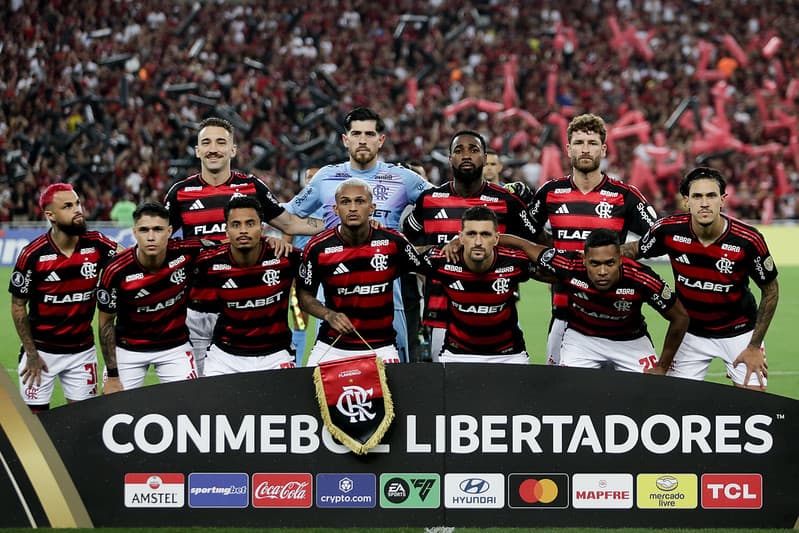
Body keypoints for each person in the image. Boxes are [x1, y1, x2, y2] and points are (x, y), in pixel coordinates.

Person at [164, 117, 323, 374]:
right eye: (206, 142)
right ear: (197, 150)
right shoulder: (180, 193)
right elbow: (162, 241)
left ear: (232, 149)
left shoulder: (251, 187)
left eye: (220, 142)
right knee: (199, 395)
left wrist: (337, 225)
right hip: (197, 309)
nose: (213, 148)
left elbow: (291, 224)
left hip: (245, 307)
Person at [284, 107, 431, 363]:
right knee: (329, 371)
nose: (362, 140)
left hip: (385, 292)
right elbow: (289, 217)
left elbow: (442, 204)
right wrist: (327, 226)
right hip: (332, 294)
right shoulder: (326, 177)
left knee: (395, 374)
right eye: (356, 133)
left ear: (380, 140)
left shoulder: (402, 178)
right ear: (345, 139)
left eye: (369, 133)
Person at [622, 167, 779, 390]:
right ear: (686, 201)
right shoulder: (668, 230)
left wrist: (754, 345)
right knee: (675, 406)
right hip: (691, 333)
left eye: (711, 195)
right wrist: (591, 253)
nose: (704, 203)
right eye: (697, 196)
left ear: (723, 200)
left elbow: (771, 290)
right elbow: (635, 249)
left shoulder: (748, 239)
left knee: (754, 406)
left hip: (740, 333)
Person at [526, 113, 658, 366]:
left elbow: (656, 235)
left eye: (592, 143)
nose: (585, 149)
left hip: (618, 313)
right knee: (567, 397)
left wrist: (627, 252)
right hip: (565, 312)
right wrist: (550, 256)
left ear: (604, 149)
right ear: (568, 149)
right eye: (579, 143)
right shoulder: (550, 193)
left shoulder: (624, 195)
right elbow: (527, 232)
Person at [402, 130, 537, 361]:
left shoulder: (508, 202)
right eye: (459, 150)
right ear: (450, 158)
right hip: (441, 317)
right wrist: (434, 257)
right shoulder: (429, 200)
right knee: (449, 393)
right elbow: (409, 247)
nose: (466, 155)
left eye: (473, 150)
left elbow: (533, 245)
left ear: (485, 158)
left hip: (496, 315)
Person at [9, 183, 119, 411]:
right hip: (41, 353)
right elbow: (18, 306)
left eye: (78, 203)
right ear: (51, 215)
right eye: (68, 206)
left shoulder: (97, 243)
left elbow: (130, 258)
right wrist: (31, 354)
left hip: (82, 352)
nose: (78, 209)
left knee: (84, 422)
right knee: (34, 427)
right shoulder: (33, 254)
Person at [524, 228, 689, 373]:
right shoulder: (570, 264)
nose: (602, 271)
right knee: (571, 391)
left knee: (652, 392)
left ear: (620, 259)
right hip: (581, 339)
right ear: (584, 260)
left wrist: (662, 366)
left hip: (631, 342)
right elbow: (526, 247)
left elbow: (680, 317)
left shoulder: (643, 278)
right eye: (595, 264)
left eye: (610, 263)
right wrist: (498, 238)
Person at [297, 178, 424, 367]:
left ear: (372, 208)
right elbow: (304, 295)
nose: (353, 208)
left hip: (382, 346)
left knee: (394, 395)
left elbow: (423, 267)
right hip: (332, 346)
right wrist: (328, 315)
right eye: (345, 202)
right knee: (309, 391)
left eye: (360, 201)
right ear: (336, 209)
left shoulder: (393, 242)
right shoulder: (317, 248)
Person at [97, 202, 202, 393]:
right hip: (128, 349)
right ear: (135, 232)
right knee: (112, 408)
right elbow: (105, 324)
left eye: (158, 229)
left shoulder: (187, 251)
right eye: (144, 230)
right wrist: (113, 375)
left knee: (188, 405)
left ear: (170, 231)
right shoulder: (115, 270)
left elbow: (229, 244)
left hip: (175, 347)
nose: (151, 237)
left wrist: (270, 241)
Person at [191, 196, 300, 375]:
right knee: (212, 404)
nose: (243, 230)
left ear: (261, 227)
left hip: (276, 355)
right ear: (226, 230)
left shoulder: (286, 257)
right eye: (236, 225)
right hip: (224, 357)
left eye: (250, 224)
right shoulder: (208, 263)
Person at [422, 206, 535, 364]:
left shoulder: (516, 262)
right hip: (456, 355)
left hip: (509, 355)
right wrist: (375, 229)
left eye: (485, 234)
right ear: (460, 238)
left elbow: (557, 270)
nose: (478, 242)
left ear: (496, 238)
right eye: (471, 234)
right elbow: (400, 254)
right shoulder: (443, 260)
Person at [284, 167, 321, 365]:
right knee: (300, 317)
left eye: (315, 177)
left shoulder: (328, 204)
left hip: (324, 268)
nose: (311, 181)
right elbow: (287, 238)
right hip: (301, 267)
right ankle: (298, 364)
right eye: (308, 177)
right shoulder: (298, 207)